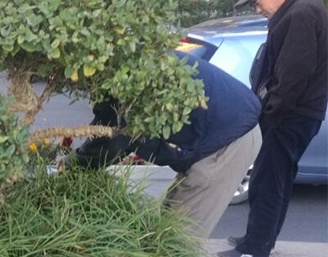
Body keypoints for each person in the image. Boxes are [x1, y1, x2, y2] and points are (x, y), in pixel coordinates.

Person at [75, 52, 262, 239]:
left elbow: (111, 141)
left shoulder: (126, 81)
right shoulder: (128, 59)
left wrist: (73, 167)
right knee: (165, 228)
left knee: (177, 240)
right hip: (222, 127)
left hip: (228, 140)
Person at [216, 0, 328, 257]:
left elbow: (292, 76)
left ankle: (255, 247)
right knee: (277, 177)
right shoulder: (302, 10)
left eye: (258, 1)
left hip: (289, 115)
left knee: (268, 178)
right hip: (298, 113)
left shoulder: (301, 14)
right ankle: (261, 238)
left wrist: (269, 114)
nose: (258, 8)